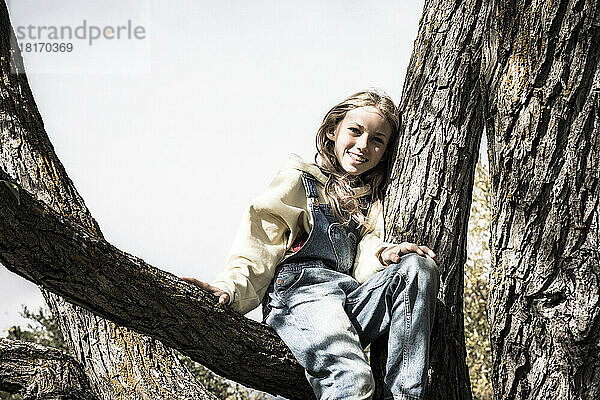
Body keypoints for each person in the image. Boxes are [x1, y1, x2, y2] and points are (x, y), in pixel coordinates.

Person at [182, 90, 440, 400]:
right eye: (355, 131)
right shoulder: (298, 181)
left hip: (348, 299)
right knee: (354, 380)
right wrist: (229, 288)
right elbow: (259, 243)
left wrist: (386, 253)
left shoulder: (373, 202)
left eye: (377, 140)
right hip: (302, 297)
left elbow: (365, 255)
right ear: (333, 131)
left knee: (418, 267)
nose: (363, 146)